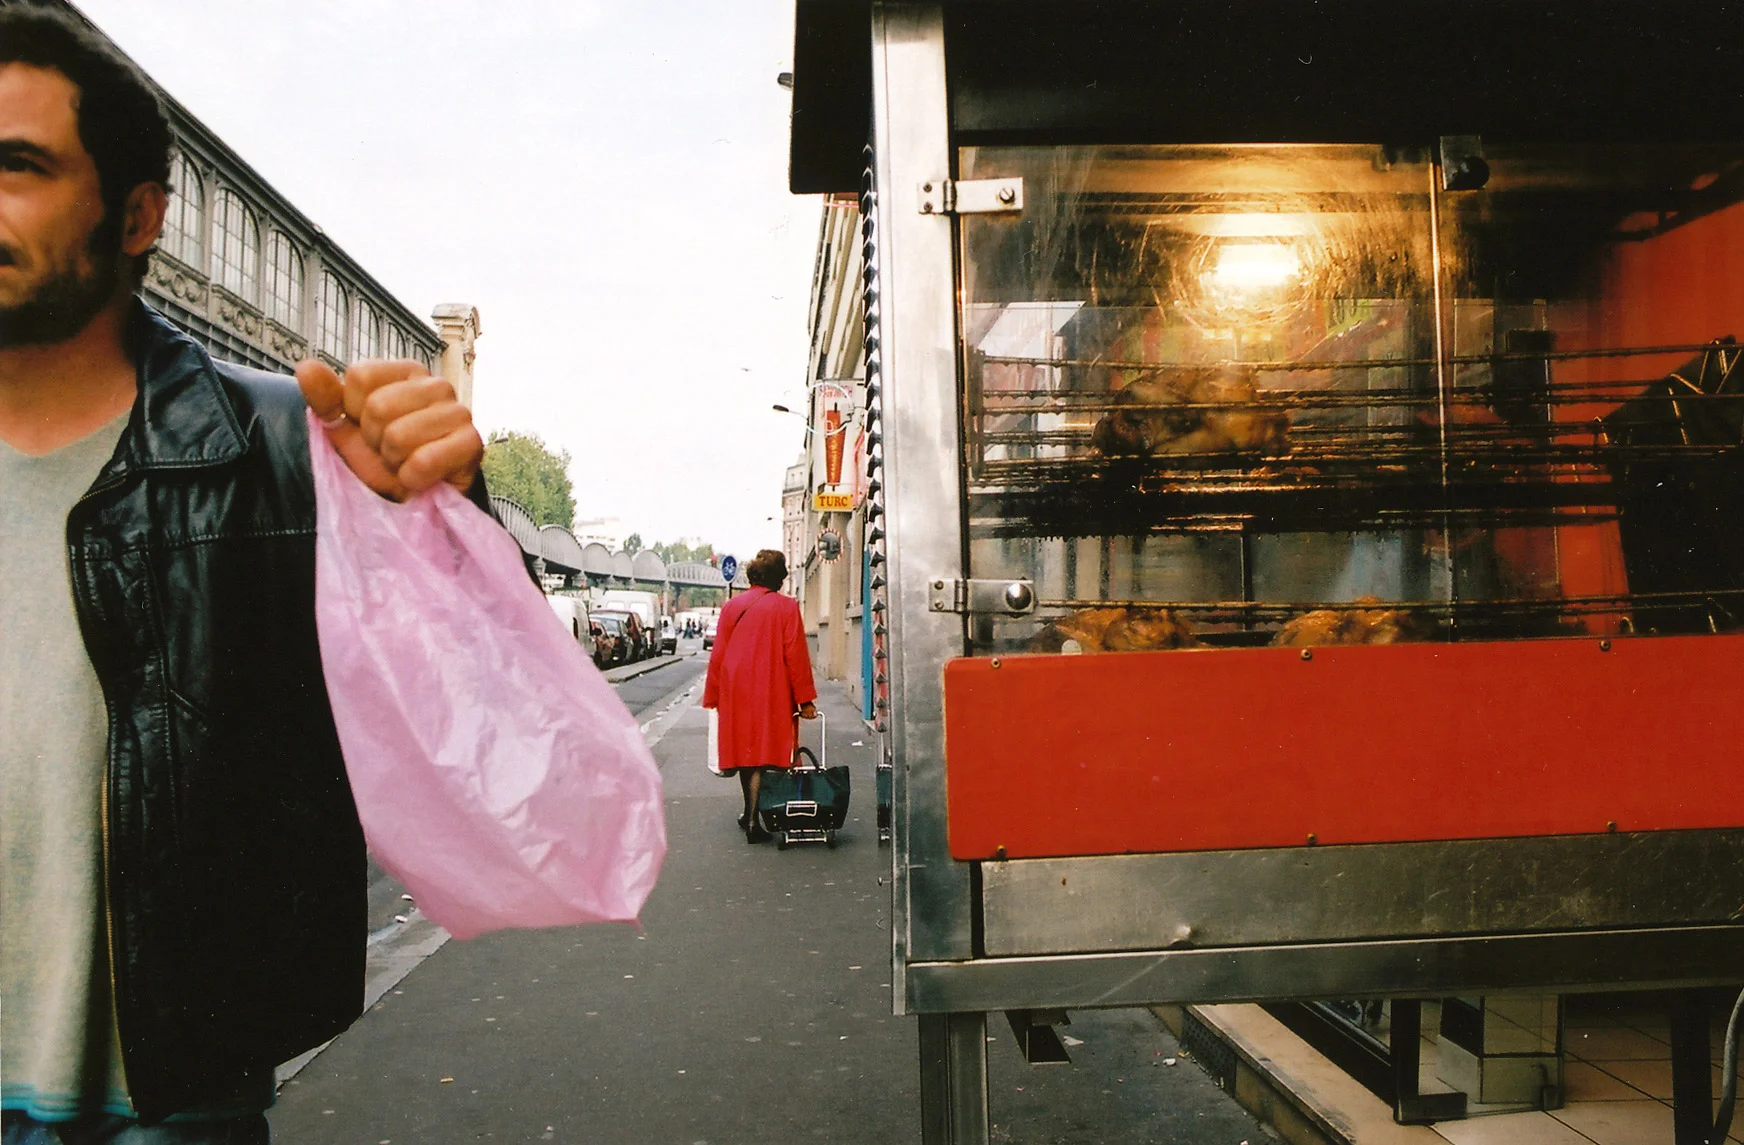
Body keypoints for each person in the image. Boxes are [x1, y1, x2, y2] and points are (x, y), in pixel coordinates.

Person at [1, 8, 488, 1140]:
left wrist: (431, 519)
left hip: (157, 1095)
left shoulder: (278, 446)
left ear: (137, 215)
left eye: (18, 166)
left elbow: (473, 729)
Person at [701, 550, 818, 843]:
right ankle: (755, 817)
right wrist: (805, 699)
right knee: (767, 751)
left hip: (736, 687)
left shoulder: (731, 607)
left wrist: (713, 694)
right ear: (779, 578)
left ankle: (748, 813)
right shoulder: (787, 607)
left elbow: (718, 655)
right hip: (771, 687)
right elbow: (796, 655)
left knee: (745, 752)